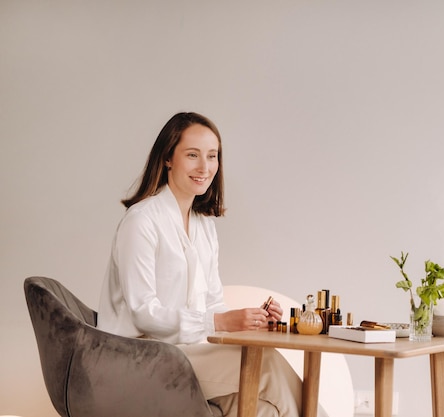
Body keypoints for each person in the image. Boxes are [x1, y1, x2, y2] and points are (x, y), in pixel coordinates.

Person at [98, 112, 324, 417]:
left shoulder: (204, 226)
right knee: (266, 362)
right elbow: (143, 313)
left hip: (188, 353)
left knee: (264, 411)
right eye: (192, 155)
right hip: (142, 358)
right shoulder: (141, 221)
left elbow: (213, 303)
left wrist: (252, 320)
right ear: (167, 158)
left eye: (212, 156)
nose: (205, 167)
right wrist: (220, 322)